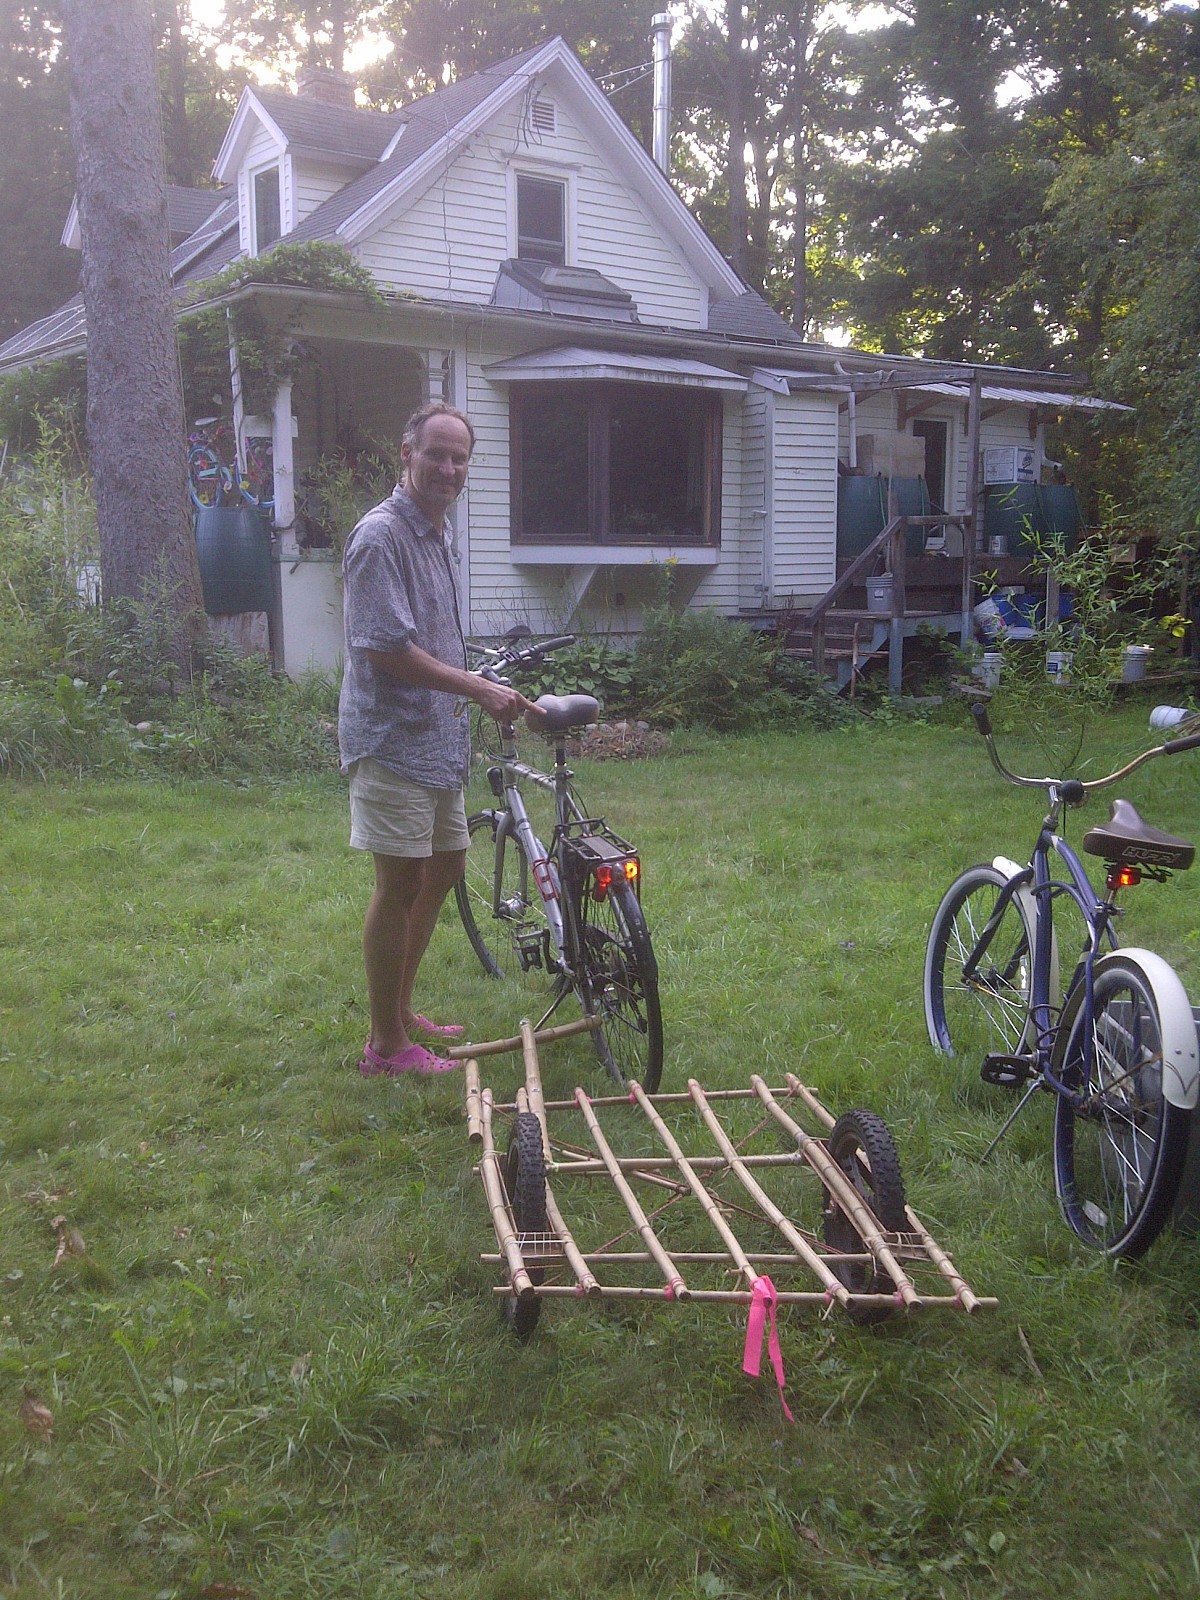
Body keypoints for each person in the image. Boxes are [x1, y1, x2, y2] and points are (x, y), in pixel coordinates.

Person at [337, 402, 540, 1077]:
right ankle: (386, 1046)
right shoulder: (381, 537)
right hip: (393, 738)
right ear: (407, 453)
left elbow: (430, 640)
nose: (450, 468)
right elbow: (387, 650)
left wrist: (483, 680)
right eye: (438, 454)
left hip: (437, 740)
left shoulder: (434, 534)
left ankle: (398, 1009)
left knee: (447, 867)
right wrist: (476, 690)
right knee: (399, 883)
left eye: (460, 458)